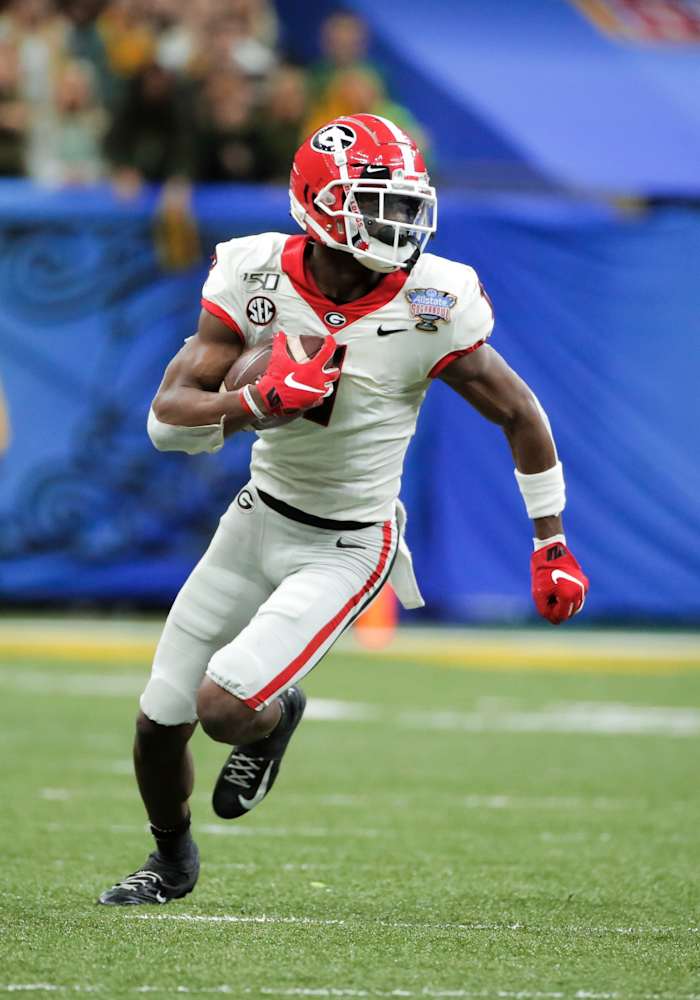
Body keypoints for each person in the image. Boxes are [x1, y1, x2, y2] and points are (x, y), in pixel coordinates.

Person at [98, 113, 589, 906]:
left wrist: (551, 540)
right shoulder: (255, 272)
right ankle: (170, 859)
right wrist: (254, 402)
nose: (401, 222)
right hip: (256, 517)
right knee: (159, 721)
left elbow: (519, 412)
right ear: (321, 204)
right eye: (380, 204)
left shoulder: (435, 299)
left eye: (407, 204)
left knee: (225, 707)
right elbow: (166, 422)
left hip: (349, 543)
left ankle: (273, 715)